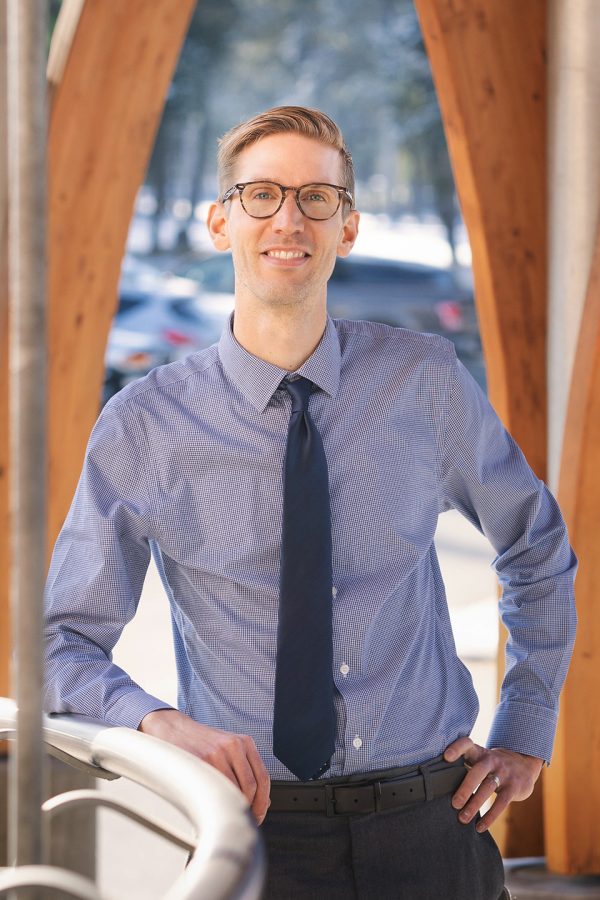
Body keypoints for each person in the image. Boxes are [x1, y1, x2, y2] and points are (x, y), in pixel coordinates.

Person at [44, 106, 577, 899]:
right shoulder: (146, 427)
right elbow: (61, 643)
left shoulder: (423, 382)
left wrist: (526, 730)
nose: (288, 218)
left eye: (316, 198)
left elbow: (534, 545)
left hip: (435, 823)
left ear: (347, 229)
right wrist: (161, 722)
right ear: (222, 222)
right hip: (257, 832)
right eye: (261, 194)